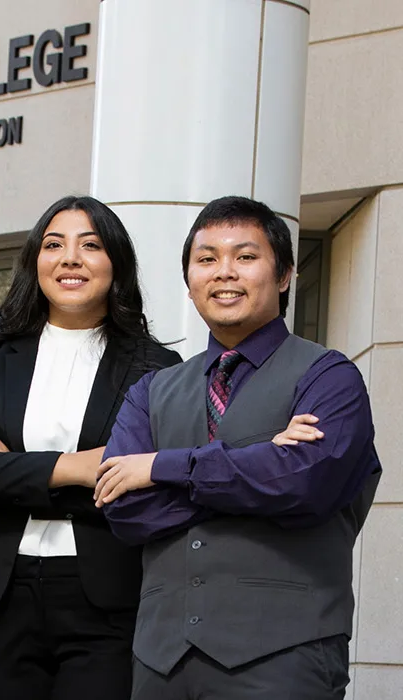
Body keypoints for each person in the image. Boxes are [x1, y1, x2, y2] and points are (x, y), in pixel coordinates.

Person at [94, 196, 381, 700]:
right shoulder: (150, 391)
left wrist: (163, 467)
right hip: (162, 663)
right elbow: (125, 509)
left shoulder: (329, 376)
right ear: (189, 282)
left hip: (285, 656)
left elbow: (306, 483)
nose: (224, 272)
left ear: (285, 274)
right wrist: (260, 465)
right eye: (207, 259)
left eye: (245, 257)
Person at [0, 196, 181, 699]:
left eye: (90, 245)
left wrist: (6, 469)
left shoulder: (156, 368)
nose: (70, 258)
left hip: (105, 598)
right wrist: (75, 467)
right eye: (53, 244)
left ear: (116, 263)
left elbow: (136, 487)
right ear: (35, 262)